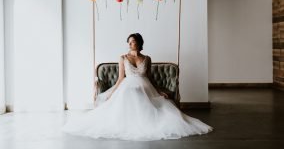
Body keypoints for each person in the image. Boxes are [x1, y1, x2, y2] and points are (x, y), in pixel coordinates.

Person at [62, 33, 213, 141]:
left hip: (145, 86)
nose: (130, 44)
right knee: (129, 91)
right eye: (128, 42)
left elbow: (150, 77)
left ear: (139, 43)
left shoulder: (147, 58)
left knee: (146, 96)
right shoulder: (123, 58)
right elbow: (121, 79)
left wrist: (160, 90)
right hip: (127, 85)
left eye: (132, 41)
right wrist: (112, 93)